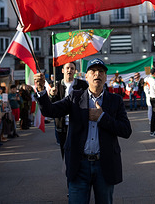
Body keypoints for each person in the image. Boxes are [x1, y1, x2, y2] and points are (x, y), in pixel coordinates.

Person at [34, 58, 132, 203]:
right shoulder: (75, 97)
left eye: (101, 72)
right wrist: (42, 91)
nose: (96, 74)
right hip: (79, 165)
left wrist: (102, 117)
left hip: (104, 165)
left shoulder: (115, 100)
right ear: (86, 76)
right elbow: (50, 111)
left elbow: (126, 130)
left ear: (105, 76)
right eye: (92, 71)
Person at [49, 62, 88, 159]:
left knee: (79, 151)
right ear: (63, 70)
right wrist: (51, 95)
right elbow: (51, 107)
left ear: (75, 71)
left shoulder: (82, 85)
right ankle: (67, 170)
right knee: (65, 151)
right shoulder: (56, 86)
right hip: (62, 125)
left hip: (78, 124)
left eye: (72, 68)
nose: (69, 70)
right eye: (67, 68)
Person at [145, 68, 155, 137]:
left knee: (154, 115)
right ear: (154, 73)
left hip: (152, 98)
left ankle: (154, 129)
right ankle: (152, 131)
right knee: (154, 116)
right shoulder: (153, 81)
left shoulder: (149, 79)